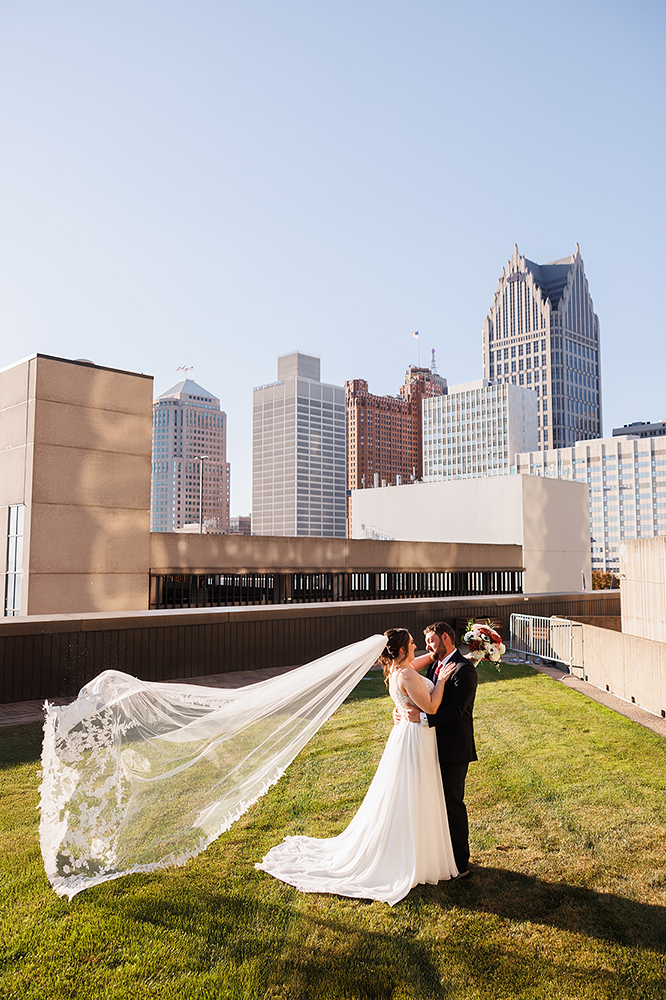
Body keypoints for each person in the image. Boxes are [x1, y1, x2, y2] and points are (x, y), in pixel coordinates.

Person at [256, 628, 458, 904]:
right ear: (401, 650)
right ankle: (409, 854)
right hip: (415, 737)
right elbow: (432, 708)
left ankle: (411, 849)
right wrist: (443, 680)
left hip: (406, 736)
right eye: (412, 643)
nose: (416, 646)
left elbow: (421, 664)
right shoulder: (407, 674)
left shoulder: (398, 671)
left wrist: (439, 655)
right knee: (412, 792)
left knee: (404, 793)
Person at [399, 621, 478, 877]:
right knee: (435, 803)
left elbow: (456, 711)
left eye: (431, 641)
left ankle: (460, 863)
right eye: (425, 642)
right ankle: (440, 857)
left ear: (445, 637)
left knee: (452, 804)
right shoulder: (435, 665)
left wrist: (420, 718)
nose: (428, 646)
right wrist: (401, 710)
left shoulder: (464, 670)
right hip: (430, 746)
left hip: (454, 748)